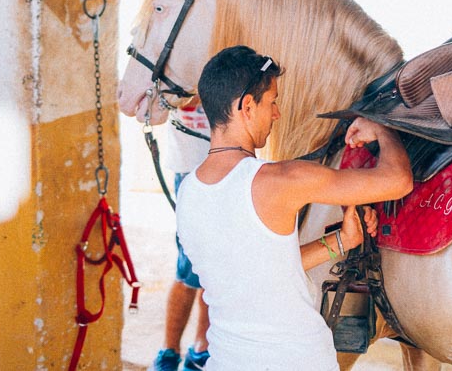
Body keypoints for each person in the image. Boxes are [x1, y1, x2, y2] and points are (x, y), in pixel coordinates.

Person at [176, 45, 413, 371]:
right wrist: (382, 129)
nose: (276, 114)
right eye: (272, 102)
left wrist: (341, 242)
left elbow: (260, 270)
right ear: (247, 106)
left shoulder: (188, 193)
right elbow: (398, 180)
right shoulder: (282, 179)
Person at [152, 103, 211, 371]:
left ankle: (201, 349)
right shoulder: (178, 65)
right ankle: (169, 351)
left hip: (231, 166)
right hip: (191, 167)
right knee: (188, 270)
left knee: (216, 271)